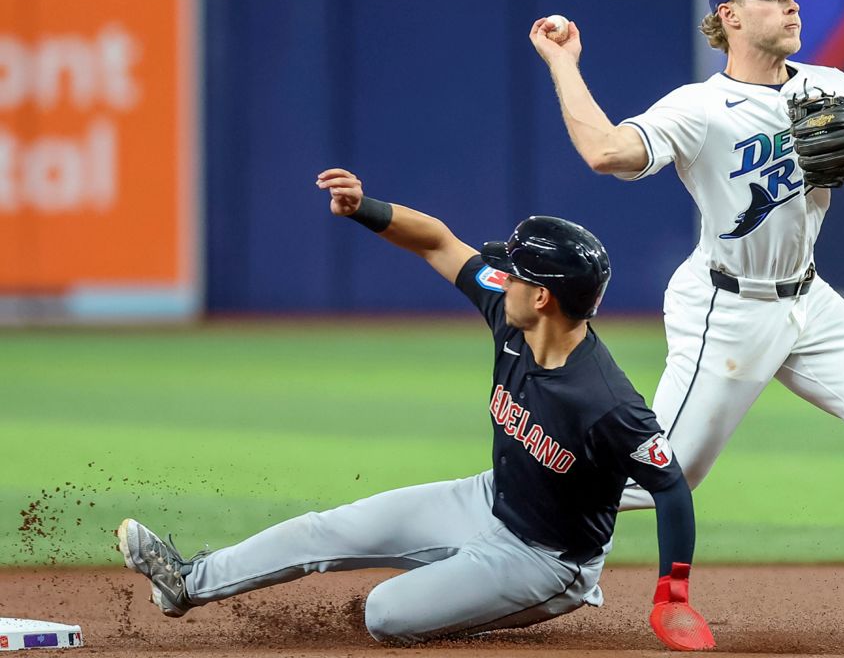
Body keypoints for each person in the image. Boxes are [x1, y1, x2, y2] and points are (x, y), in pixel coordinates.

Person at [529, 0, 844, 636]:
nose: (791, 3)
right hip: (726, 307)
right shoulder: (701, 108)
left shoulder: (833, 87)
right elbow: (605, 152)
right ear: (730, 16)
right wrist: (564, 64)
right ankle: (525, 518)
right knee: (664, 477)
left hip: (809, 299)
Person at [116, 168, 715, 651]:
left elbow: (671, 486)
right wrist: (365, 208)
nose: (499, 277)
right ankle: (186, 583)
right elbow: (437, 241)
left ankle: (477, 601)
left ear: (542, 297)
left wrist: (674, 595)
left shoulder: (605, 403)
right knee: (325, 529)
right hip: (484, 499)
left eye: (513, 275)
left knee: (385, 614)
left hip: (545, 562)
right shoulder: (510, 319)